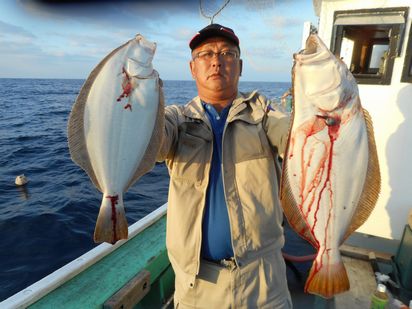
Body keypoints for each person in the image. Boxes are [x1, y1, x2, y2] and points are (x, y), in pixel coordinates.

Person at [156, 23, 292, 308]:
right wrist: (140, 100)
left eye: (227, 53)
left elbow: (295, 137)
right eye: (205, 54)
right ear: (192, 69)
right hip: (197, 289)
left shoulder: (263, 112)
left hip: (264, 284)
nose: (216, 60)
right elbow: (151, 145)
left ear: (240, 66)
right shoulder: (176, 119)